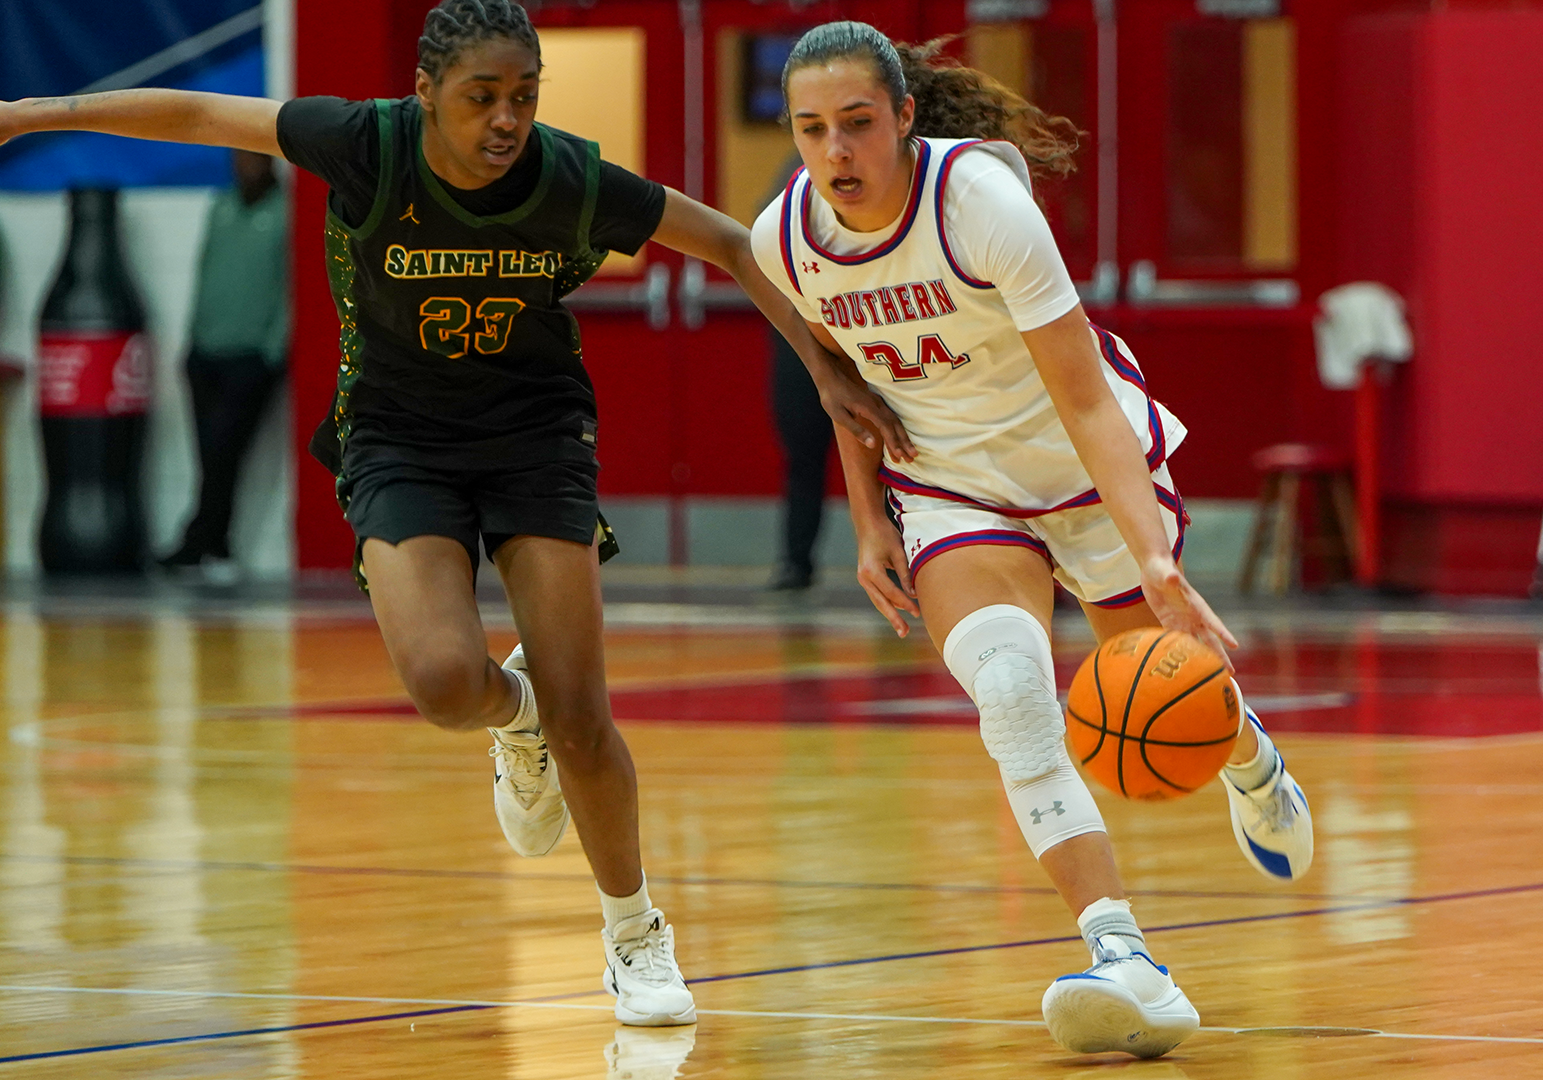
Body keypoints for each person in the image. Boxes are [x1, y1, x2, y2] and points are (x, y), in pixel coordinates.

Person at [0, 0, 911, 1027]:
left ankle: (635, 935)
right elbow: (204, 119)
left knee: (586, 713)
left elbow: (734, 243)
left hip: (533, 436)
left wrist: (823, 367)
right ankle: (510, 720)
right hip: (400, 439)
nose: (506, 120)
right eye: (482, 98)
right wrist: (33, 113)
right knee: (442, 681)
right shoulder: (368, 144)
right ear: (427, 93)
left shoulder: (566, 179)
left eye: (523, 97)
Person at [752, 23, 1313, 1059]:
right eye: (812, 129)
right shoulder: (782, 238)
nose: (836, 152)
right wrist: (871, 518)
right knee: (1011, 691)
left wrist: (1153, 557)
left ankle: (1251, 757)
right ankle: (1122, 955)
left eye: (859, 125)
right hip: (953, 486)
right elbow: (847, 384)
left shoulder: (981, 205)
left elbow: (1086, 400)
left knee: (1156, 679)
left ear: (907, 117)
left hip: (1077, 464)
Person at [158, 149, 288, 581]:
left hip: (252, 357)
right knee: (207, 456)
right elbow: (204, 271)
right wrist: (192, 338)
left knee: (224, 451)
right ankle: (208, 546)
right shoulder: (222, 207)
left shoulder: (287, 213)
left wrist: (274, 348)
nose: (243, 167)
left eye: (252, 159)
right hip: (206, 352)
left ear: (270, 162)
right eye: (238, 159)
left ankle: (207, 544)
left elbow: (295, 285)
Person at [764, 155, 835, 591]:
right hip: (800, 337)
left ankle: (900, 566)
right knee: (803, 454)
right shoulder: (791, 180)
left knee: (891, 451)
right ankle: (795, 561)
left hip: (858, 331)